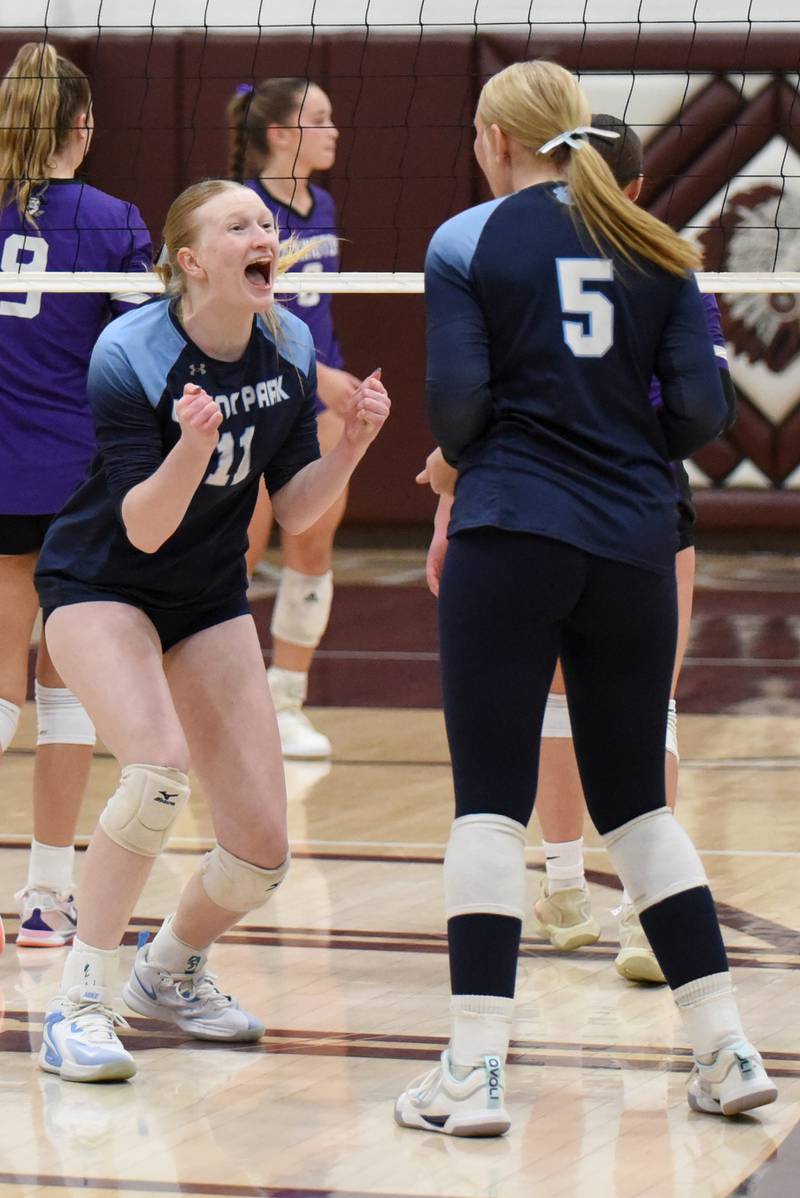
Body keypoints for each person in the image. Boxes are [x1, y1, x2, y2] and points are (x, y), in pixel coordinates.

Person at [397, 60, 775, 1137]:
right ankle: (725, 1049)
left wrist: (470, 463)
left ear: (492, 138)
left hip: (511, 531)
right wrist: (613, 450)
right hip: (631, 544)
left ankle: (470, 1073)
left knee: (487, 802)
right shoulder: (660, 246)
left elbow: (458, 405)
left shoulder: (465, 241)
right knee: (638, 805)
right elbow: (701, 413)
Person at [34, 178, 390, 1082]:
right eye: (239, 225)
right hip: (99, 583)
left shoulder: (290, 343)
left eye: (267, 224)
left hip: (206, 596)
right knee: (155, 773)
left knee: (261, 851)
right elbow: (144, 526)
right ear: (190, 261)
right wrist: (193, 444)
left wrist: (350, 444)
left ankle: (168, 970)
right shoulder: (131, 351)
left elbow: (299, 513)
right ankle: (79, 1002)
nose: (264, 234)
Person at [532, 114, 737, 984]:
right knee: (649, 698)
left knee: (550, 694)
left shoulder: (513, 261)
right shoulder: (673, 265)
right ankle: (644, 918)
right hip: (644, 493)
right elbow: (705, 403)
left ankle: (564, 889)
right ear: (641, 187)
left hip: (540, 492)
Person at [0, 42, 152, 950]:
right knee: (64, 699)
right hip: (74, 484)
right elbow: (143, 350)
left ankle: (47, 894)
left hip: (1, 476)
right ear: (83, 127)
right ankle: (45, 898)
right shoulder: (111, 220)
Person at [228, 77, 360, 759]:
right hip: (253, 399)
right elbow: (243, 315)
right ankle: (216, 701)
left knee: (311, 550)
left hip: (319, 407)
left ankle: (287, 702)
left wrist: (336, 386)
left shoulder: (324, 204)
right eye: (320, 118)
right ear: (280, 134)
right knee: (236, 556)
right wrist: (322, 373)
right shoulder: (245, 210)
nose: (335, 129)